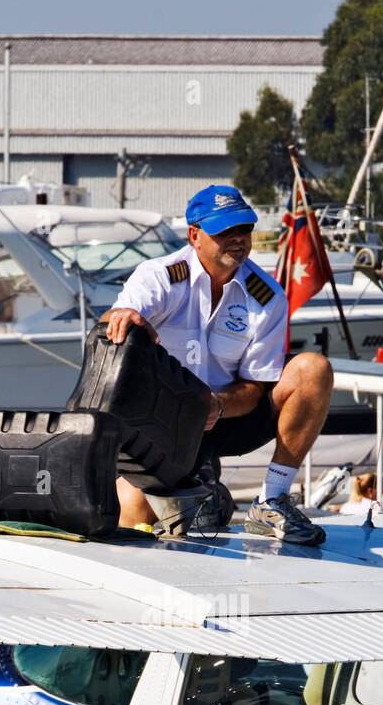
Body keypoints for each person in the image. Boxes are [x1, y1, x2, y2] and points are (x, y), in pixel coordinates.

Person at [102, 184, 334, 547]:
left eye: (244, 229)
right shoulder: (161, 277)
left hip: (224, 417)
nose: (238, 239)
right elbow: (110, 324)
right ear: (194, 236)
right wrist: (123, 315)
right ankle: (206, 496)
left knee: (313, 369)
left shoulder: (267, 295)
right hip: (160, 424)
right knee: (132, 511)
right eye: (225, 232)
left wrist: (216, 404)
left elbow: (256, 387)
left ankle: (271, 500)